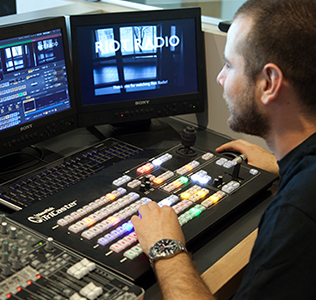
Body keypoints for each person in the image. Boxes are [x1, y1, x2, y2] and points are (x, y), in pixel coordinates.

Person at [131, 0, 316, 299]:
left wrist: (166, 248)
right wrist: (286, 167)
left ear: (269, 83)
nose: (220, 77)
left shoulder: (296, 216)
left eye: (229, 65)